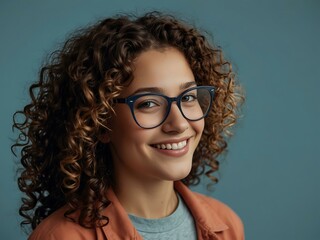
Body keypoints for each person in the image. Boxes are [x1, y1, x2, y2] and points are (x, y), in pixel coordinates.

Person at [12, 11, 244, 240]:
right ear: (100, 121)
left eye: (188, 97)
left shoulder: (227, 226)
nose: (179, 123)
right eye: (149, 103)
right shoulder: (62, 237)